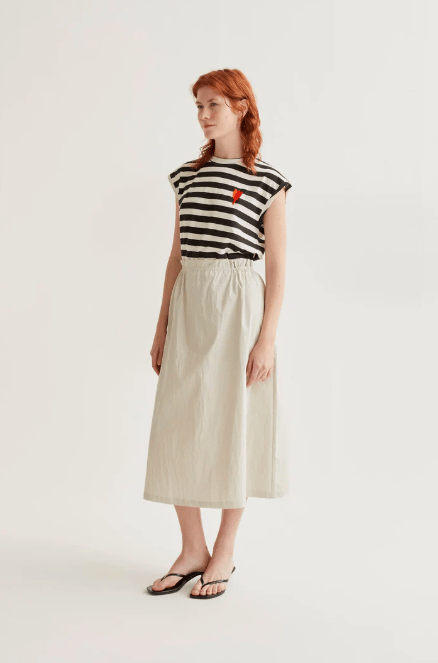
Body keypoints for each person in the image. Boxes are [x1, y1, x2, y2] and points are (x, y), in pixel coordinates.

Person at [143, 68, 292, 599]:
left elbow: (277, 266)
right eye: (198, 107)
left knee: (234, 423)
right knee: (178, 423)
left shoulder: (268, 181)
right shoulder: (186, 177)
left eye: (213, 105)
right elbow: (176, 256)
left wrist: (266, 338)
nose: (204, 115)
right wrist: (161, 325)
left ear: (241, 108)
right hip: (190, 304)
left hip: (239, 306)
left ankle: (224, 551)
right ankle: (192, 549)